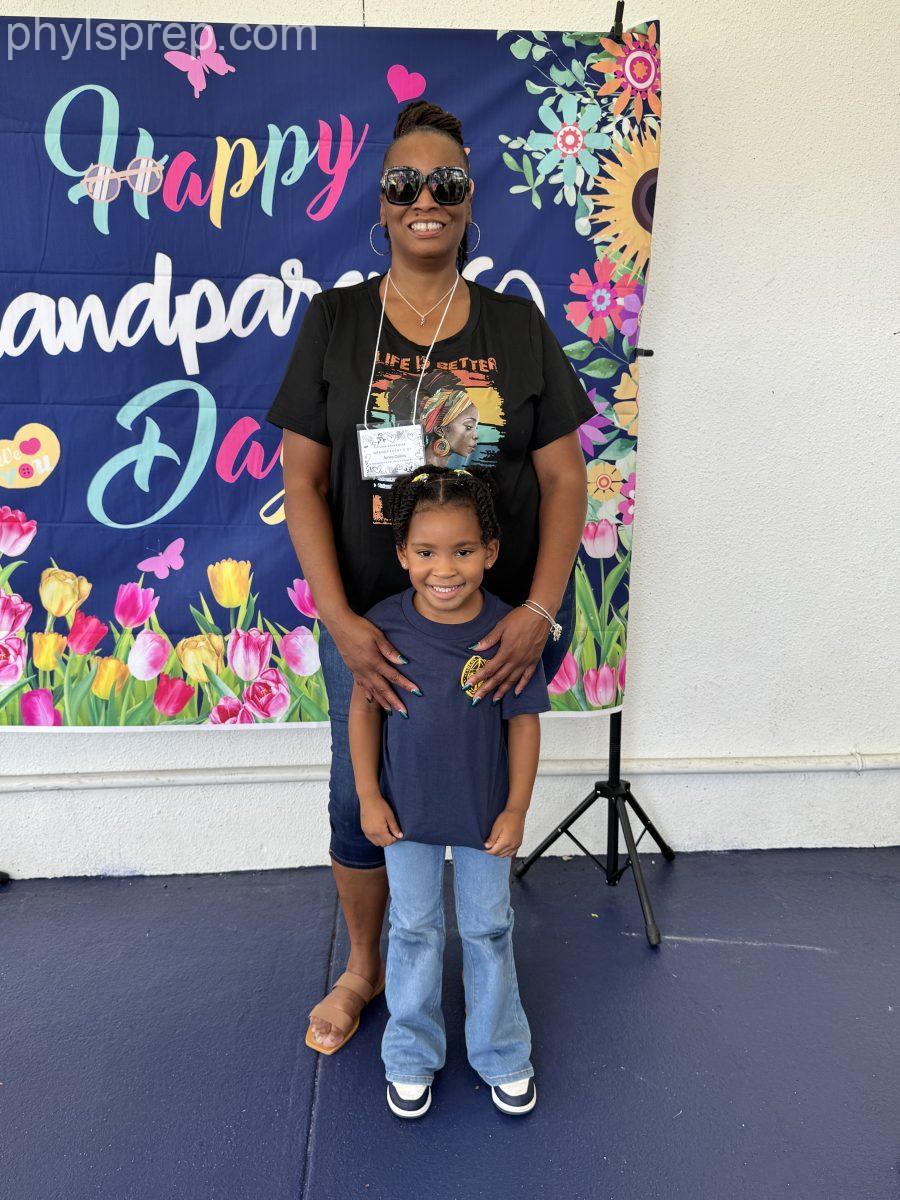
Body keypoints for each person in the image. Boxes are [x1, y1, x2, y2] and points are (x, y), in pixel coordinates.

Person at [265, 98, 595, 1055]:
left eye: (445, 183)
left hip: (497, 632)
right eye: (404, 183)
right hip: (375, 631)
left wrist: (539, 611)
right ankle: (366, 968)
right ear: (381, 202)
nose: (425, 200)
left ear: (469, 199)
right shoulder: (335, 320)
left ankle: (484, 986)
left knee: (485, 797)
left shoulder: (515, 325)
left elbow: (565, 478)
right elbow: (301, 477)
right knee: (361, 800)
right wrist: (340, 620)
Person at [349, 465, 546, 1118]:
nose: (445, 569)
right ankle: (410, 1052)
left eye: (463, 551)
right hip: (404, 818)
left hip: (486, 818)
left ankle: (501, 1051)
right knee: (413, 929)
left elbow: (523, 724)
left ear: (490, 552)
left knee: (489, 928)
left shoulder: (508, 633)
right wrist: (368, 795)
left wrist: (516, 809)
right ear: (403, 554)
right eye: (427, 552)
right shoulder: (384, 628)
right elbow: (363, 712)